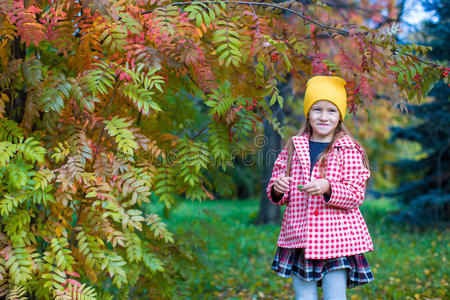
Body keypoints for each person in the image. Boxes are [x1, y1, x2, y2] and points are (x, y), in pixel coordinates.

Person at [266, 76, 375, 300]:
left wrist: (328, 187)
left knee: (335, 296)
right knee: (303, 297)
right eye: (317, 109)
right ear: (308, 112)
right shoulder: (293, 148)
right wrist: (278, 188)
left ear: (340, 116)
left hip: (336, 239)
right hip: (300, 236)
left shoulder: (348, 149)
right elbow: (277, 190)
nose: (323, 117)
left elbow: (356, 195)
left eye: (331, 111)